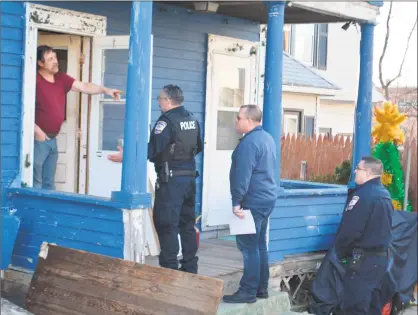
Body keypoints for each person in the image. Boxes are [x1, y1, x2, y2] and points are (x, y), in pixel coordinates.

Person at [108, 85, 203, 274]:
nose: (158, 102)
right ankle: (190, 268)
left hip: (171, 181)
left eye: (160, 99)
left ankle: (168, 270)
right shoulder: (192, 119)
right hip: (189, 180)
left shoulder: (166, 122)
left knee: (166, 224)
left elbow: (152, 150)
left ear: (167, 101)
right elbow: (198, 147)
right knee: (187, 225)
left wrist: (127, 155)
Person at [34, 45, 121, 190]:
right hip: (38, 140)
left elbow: (84, 86)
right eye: (50, 59)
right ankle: (32, 212)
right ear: (40, 63)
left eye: (55, 57)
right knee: (35, 183)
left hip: (52, 139)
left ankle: (47, 212)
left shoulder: (61, 78)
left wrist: (106, 90)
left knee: (49, 183)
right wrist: (37, 131)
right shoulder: (34, 80)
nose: (55, 61)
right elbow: (23, 108)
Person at [222, 105, 278, 304]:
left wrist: (236, 202)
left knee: (248, 247)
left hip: (252, 201)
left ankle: (248, 290)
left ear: (249, 120)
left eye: (238, 117)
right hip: (266, 199)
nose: (235, 121)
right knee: (259, 245)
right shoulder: (267, 138)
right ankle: (261, 288)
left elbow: (242, 175)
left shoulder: (250, 142)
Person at [334, 156, 393, 315]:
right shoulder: (385, 195)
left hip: (363, 261)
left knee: (355, 305)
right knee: (373, 305)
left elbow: (350, 230)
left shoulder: (362, 196)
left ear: (367, 172)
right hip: (380, 260)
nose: (355, 171)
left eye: (358, 168)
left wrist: (341, 253)